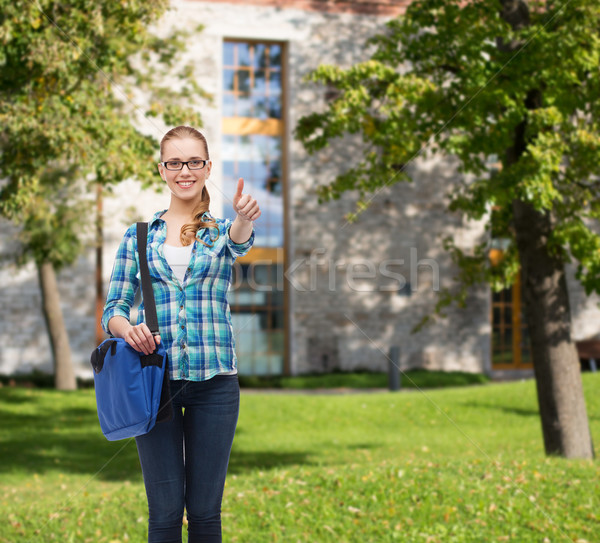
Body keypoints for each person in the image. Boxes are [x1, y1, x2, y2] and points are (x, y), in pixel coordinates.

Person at [101, 125, 260, 543]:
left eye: (193, 161)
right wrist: (128, 329)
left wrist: (243, 218)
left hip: (215, 384)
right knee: (166, 514)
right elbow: (113, 310)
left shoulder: (220, 231)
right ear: (162, 170)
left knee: (206, 513)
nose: (184, 170)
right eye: (175, 162)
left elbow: (240, 242)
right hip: (156, 386)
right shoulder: (139, 237)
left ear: (207, 168)